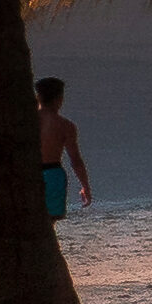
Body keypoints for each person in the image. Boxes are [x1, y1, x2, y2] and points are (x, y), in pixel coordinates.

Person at [38, 76, 95, 223]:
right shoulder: (65, 126)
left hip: (28, 173)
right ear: (60, 98)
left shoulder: (25, 121)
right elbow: (75, 160)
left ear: (38, 96)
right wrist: (85, 186)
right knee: (50, 221)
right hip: (52, 173)